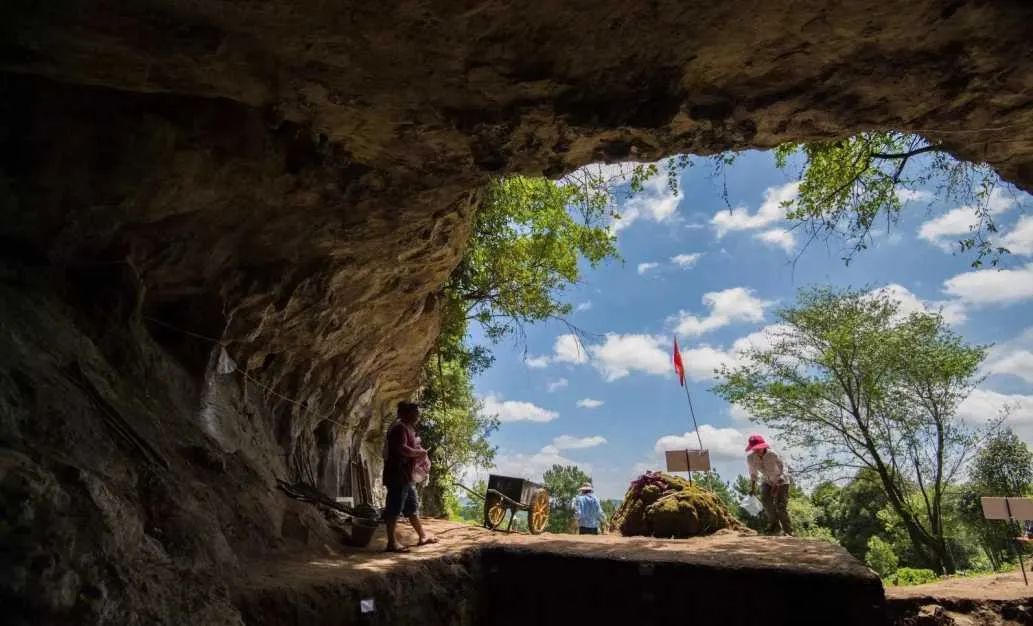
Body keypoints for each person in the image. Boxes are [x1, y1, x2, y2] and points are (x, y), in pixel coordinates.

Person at [382, 401, 437, 552]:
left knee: (412, 507)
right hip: (397, 476)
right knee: (393, 508)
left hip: (406, 477)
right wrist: (420, 453)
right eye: (414, 412)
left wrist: (418, 449)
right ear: (405, 414)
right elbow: (402, 449)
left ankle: (423, 536)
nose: (417, 415)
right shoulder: (399, 428)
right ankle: (392, 543)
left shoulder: (408, 428)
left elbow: (409, 447)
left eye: (417, 412)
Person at [745, 434, 793, 536]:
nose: (757, 451)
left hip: (782, 481)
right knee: (765, 501)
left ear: (763, 446)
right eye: (754, 449)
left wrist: (778, 483)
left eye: (758, 448)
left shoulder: (773, 454)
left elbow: (785, 469)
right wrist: (753, 488)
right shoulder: (750, 458)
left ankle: (788, 531)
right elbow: (753, 473)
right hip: (767, 481)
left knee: (780, 506)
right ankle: (774, 526)